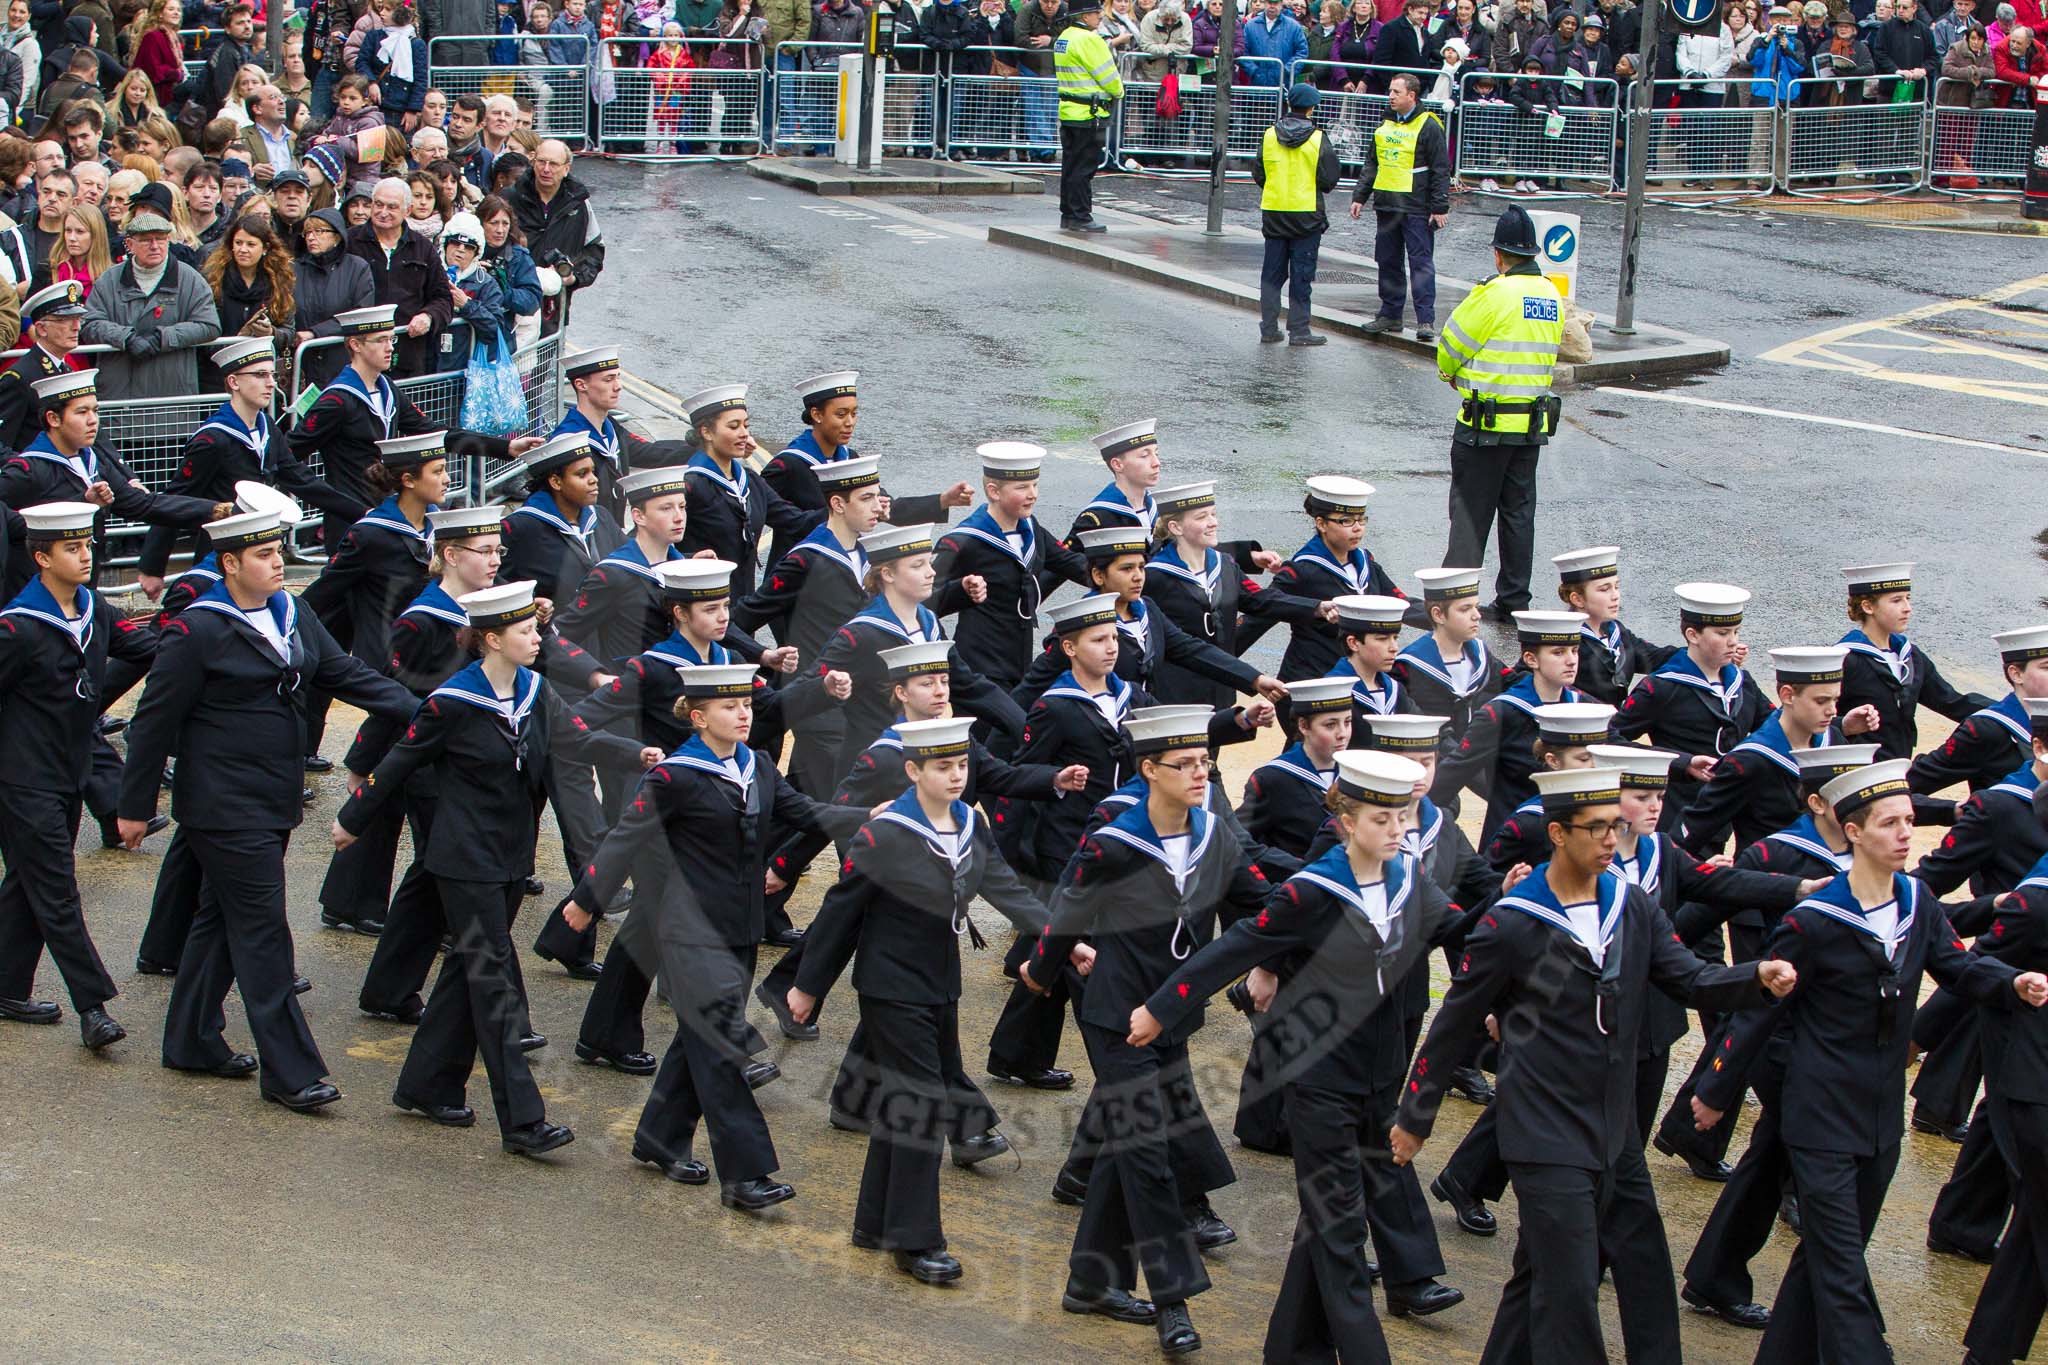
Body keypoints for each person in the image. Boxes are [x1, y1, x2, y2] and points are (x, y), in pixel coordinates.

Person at [1389, 764, 1794, 1365]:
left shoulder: (1630, 905)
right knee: (1570, 1286)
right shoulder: (1513, 921)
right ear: (1557, 833)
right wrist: (1415, 1118)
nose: (1612, 839)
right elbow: (1453, 1024)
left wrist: (1753, 979)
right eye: (1597, 828)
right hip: (1543, 1127)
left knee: (1637, 1264)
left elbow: (1689, 977)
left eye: (1616, 827)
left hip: (1613, 1127)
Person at [1694, 759, 2048, 1364]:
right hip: (1819, 1110)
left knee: (1833, 1252)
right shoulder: (1811, 920)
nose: (1907, 834)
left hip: (1880, 1115)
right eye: (1890, 823)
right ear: (1853, 832)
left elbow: (1957, 966)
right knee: (1838, 1263)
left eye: (1910, 821)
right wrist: (1714, 1091)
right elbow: (1760, 1012)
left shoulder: (1917, 900)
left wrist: (2011, 984)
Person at [1135, 749, 1470, 1356]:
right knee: (1342, 1231)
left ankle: (1290, 1351)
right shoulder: (1312, 890)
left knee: (1325, 1223)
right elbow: (1239, 946)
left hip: (1381, 1078)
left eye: (1402, 818)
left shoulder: (1408, 882)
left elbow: (1462, 930)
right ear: (1346, 821)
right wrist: (1163, 1006)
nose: (1396, 831)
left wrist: (1523, 916)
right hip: (1320, 1083)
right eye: (1380, 820)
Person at [333, 579, 657, 1152]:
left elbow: (577, 741)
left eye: (536, 627)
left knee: (465, 973)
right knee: (490, 984)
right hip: (463, 860)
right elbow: (400, 761)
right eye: (526, 630)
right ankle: (523, 1122)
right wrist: (353, 819)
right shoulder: (452, 702)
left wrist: (637, 754)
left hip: (510, 856)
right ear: (490, 639)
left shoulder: (534, 691)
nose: (538, 638)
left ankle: (427, 1086)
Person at [115, 504, 417, 1110]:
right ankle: (290, 1071)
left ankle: (192, 1040)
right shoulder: (196, 629)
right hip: (224, 804)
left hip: (270, 798)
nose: (279, 561)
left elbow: (342, 672)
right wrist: (132, 804)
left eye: (280, 550)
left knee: (219, 920)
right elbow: (152, 722)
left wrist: (431, 712)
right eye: (262, 554)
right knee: (262, 934)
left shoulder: (291, 611)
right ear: (229, 564)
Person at [561, 663, 864, 1210]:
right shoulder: (673, 777)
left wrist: (873, 816)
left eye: (746, 704)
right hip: (687, 931)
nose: (744, 713)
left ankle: (658, 1139)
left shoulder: (759, 767)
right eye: (729, 707)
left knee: (697, 1041)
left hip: (741, 927)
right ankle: (745, 1175)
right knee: (722, 1044)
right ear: (698, 717)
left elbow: (807, 814)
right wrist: (585, 903)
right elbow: (624, 841)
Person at [1022, 705, 1274, 1356]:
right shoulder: (1113, 839)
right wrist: (1041, 969)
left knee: (1118, 1152)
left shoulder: (1217, 836)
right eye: (1184, 764)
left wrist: (1280, 964)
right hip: (1117, 1017)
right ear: (1148, 770)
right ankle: (1172, 1300)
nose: (1199, 774)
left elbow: (1263, 911)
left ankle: (1092, 1282)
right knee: (1147, 1154)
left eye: (1205, 764)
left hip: (1173, 1016)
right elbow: (1067, 911)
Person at [787, 715, 1049, 1284]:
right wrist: (808, 988)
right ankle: (915, 1240)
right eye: (943, 767)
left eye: (962, 766)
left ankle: (876, 1222)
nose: (957, 777)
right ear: (913, 771)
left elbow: (1003, 885)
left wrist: (1060, 939)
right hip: (889, 985)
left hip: (939, 983)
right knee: (925, 1103)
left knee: (907, 1102)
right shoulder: (886, 833)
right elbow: (840, 911)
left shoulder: (967, 825)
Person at [0, 500, 158, 1051]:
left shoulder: (92, 608)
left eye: (88, 544)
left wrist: (199, 631)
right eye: (72, 548)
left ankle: (5, 986)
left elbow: (146, 645)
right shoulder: (17, 628)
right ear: (42, 558)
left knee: (27, 882)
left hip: (67, 772)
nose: (86, 555)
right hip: (23, 781)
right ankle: (92, 1006)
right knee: (57, 891)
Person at [135, 338, 363, 591]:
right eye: (260, 375)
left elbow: (303, 481)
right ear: (234, 382)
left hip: (259, 555)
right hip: (220, 558)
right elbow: (176, 499)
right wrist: (152, 567)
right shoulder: (213, 438)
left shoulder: (268, 431)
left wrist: (362, 513)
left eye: (272, 374)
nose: (271, 383)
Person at [0, 367, 227, 602]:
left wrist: (215, 511)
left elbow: (141, 504)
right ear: (53, 418)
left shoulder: (92, 461)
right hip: (34, 596)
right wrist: (80, 504)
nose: (93, 421)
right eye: (81, 412)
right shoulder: (28, 470)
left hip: (82, 589)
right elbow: (8, 522)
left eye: (95, 411)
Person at [1436, 203, 1562, 620]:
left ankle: (1455, 600)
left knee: (1470, 515)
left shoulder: (1494, 293)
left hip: (1484, 425)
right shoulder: (1551, 296)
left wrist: (1452, 374)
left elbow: (1450, 346)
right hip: (1530, 427)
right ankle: (1513, 601)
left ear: (1499, 254)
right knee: (1518, 515)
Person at [1141, 479, 1327, 706]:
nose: (1213, 523)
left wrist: (1317, 607)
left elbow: (1261, 600)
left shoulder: (1225, 566)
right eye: (1201, 517)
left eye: (1213, 514)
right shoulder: (1153, 577)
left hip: (1221, 690)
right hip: (1174, 696)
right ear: (1175, 527)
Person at [928, 442, 1092, 692]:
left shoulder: (1032, 529)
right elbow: (925, 599)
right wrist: (961, 591)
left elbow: (1072, 564)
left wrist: (1115, 575)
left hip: (1020, 663)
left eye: (1035, 485)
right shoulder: (964, 540)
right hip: (980, 666)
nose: (1033, 494)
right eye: (1022, 487)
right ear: (994, 491)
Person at [677, 383, 823, 594]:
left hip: (740, 608)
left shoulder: (750, 482)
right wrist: (688, 560)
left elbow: (797, 523)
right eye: (734, 426)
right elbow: (649, 542)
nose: (744, 433)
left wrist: (843, 508)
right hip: (702, 606)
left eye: (746, 425)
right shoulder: (691, 484)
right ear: (706, 432)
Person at [78, 206, 223, 401]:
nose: (155, 246)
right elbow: (89, 323)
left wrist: (163, 338)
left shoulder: (190, 280)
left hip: (171, 396)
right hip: (119, 396)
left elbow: (209, 326)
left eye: (161, 239)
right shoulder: (109, 280)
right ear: (129, 244)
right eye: (146, 240)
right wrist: (126, 338)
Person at [1351, 72, 1450, 342]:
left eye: (1396, 92)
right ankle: (1390, 314)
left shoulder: (1429, 125)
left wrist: (1440, 205)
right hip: (1387, 205)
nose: (1391, 96)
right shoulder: (1385, 123)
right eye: (1390, 91)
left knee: (1420, 263)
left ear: (1412, 96)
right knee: (1388, 261)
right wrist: (1360, 196)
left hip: (1416, 206)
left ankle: (1425, 321)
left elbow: (1441, 168)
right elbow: (1373, 162)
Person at [1251, 82, 1338, 346]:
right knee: (1301, 274)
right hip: (1306, 214)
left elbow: (1258, 172)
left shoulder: (1268, 135)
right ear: (1312, 107)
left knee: (1272, 273)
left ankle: (1268, 328)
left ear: (1289, 104)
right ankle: (1299, 331)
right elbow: (1329, 178)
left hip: (1275, 212)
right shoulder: (1318, 138)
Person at [347, 177, 454, 379]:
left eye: (392, 207)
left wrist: (428, 316)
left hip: (408, 356)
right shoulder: (350, 242)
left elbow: (442, 298)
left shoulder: (423, 248)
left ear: (407, 210)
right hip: (360, 356)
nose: (383, 212)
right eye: (378, 204)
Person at [1553, 545, 1678, 706]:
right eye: (1604, 589)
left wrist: (1700, 652)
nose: (1615, 596)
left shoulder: (1616, 631)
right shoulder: (1560, 636)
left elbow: (1655, 658)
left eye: (1616, 587)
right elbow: (1530, 679)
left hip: (1614, 725)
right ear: (1578, 599)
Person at [503, 139, 601, 337]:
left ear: (566, 169)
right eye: (541, 162)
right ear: (533, 162)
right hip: (514, 301)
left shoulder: (578, 203)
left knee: (547, 362)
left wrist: (574, 277)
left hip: (554, 304)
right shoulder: (509, 198)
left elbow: (594, 249)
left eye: (554, 164)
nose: (546, 169)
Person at [1054, 0, 1122, 232]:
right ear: (1083, 16)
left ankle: (1069, 214)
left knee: (1071, 165)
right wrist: (1118, 91)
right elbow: (1109, 76)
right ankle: (1081, 216)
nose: (1099, 16)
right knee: (1084, 167)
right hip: (1088, 113)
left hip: (1070, 110)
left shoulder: (1065, 36)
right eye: (1095, 12)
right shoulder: (1089, 39)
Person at [292, 208, 377, 391]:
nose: (311, 237)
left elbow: (361, 315)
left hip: (344, 363)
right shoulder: (294, 270)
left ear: (337, 236)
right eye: (307, 232)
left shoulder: (357, 268)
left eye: (319, 231)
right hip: (304, 367)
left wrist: (315, 333)